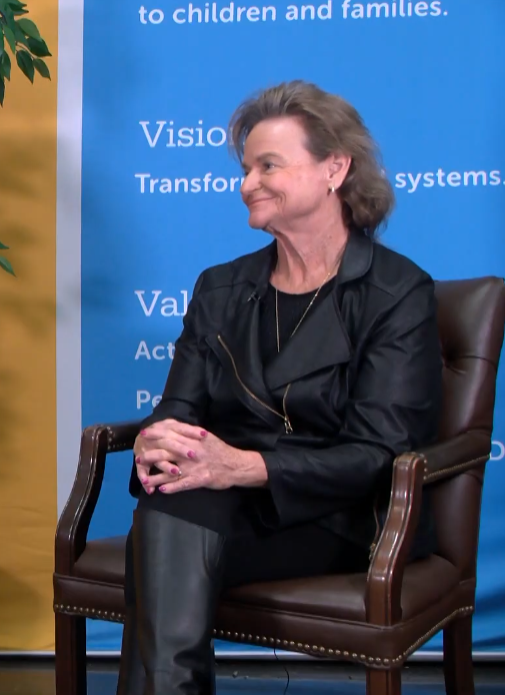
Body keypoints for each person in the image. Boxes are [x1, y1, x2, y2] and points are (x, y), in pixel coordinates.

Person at [118, 80, 444, 694]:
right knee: (168, 512)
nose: (247, 183)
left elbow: (379, 453)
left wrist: (244, 466)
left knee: (163, 539)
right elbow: (178, 409)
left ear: (335, 169)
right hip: (222, 500)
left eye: (269, 165)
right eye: (246, 168)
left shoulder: (398, 293)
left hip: (339, 516)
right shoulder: (219, 287)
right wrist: (158, 441)